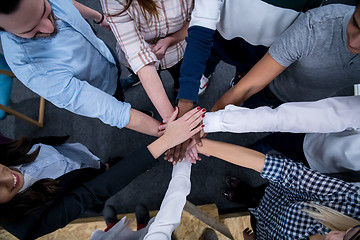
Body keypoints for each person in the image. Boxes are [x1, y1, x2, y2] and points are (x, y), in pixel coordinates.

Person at [0, 107, 205, 239]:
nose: (10, 177)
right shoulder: (25, 225)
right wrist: (166, 142)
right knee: (98, 185)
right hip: (75, 187)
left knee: (96, 165)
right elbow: (91, 192)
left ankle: (104, 166)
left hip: (67, 158)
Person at [171, 0, 330, 162]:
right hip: (217, 33)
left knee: (245, 78)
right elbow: (201, 32)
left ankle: (236, 83)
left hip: (265, 52)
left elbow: (300, 30)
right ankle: (204, 77)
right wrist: (186, 99)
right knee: (208, 61)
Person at [0, 0, 159, 136]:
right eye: (31, 31)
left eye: (46, 10)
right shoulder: (30, 67)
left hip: (102, 53)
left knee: (117, 77)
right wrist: (162, 130)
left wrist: (98, 17)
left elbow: (68, 4)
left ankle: (123, 83)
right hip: (100, 87)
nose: (49, 28)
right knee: (117, 97)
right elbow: (112, 110)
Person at [196, 138, 360, 239]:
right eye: (349, 234)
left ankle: (245, 198)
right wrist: (201, 145)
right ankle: (246, 193)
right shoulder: (351, 203)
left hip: (262, 228)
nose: (333, 237)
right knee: (256, 194)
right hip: (275, 195)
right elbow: (287, 172)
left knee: (251, 208)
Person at [211, 2, 360, 112]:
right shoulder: (314, 27)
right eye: (355, 24)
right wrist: (207, 123)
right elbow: (246, 88)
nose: (353, 42)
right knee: (249, 104)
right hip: (271, 86)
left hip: (309, 103)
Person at [203, 96, 360, 174]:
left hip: (318, 175)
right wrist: (210, 122)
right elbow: (286, 118)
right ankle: (259, 147)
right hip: (311, 138)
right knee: (277, 140)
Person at [100, 0, 193, 120]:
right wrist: (172, 120)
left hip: (179, 48)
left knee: (179, 75)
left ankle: (178, 89)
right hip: (136, 54)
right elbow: (138, 57)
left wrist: (171, 40)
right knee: (148, 78)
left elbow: (198, 22)